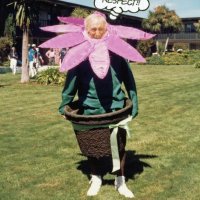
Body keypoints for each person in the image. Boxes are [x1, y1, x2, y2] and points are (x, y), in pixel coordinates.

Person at [39, 11, 155, 198]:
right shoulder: (80, 53)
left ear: (107, 29)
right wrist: (64, 105)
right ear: (86, 29)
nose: (97, 32)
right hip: (90, 109)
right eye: (93, 29)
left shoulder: (117, 52)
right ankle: (96, 177)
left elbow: (129, 80)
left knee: (119, 146)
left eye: (101, 29)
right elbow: (71, 83)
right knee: (91, 146)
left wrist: (135, 103)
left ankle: (120, 181)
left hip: (116, 107)